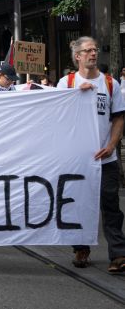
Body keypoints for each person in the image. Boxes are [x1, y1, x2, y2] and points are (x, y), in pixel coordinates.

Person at [57, 37, 125, 273]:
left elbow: (119, 117)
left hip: (105, 159)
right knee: (78, 204)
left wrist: (112, 145)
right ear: (77, 56)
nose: (93, 54)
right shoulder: (67, 83)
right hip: (77, 160)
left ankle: (118, 254)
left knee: (110, 205)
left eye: (95, 50)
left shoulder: (110, 83)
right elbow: (56, 115)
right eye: (88, 51)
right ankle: (81, 248)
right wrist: (75, 95)